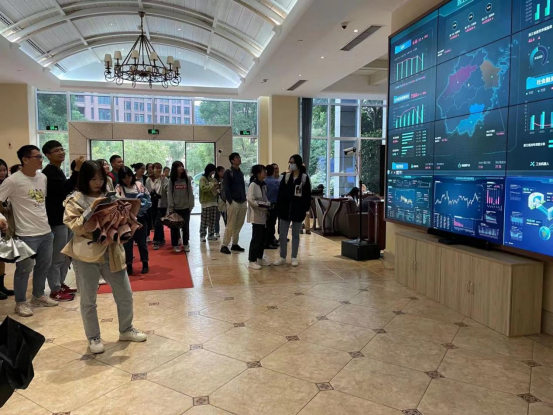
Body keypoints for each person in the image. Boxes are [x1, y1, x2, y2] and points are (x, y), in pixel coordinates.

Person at [63, 160, 147, 354]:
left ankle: (126, 329)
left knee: (125, 294)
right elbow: (74, 225)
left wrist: (130, 211)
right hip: (86, 254)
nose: (98, 182)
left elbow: (122, 218)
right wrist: (92, 209)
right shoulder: (74, 199)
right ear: (84, 179)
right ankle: (93, 337)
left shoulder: (111, 196)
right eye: (93, 179)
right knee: (88, 299)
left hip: (112, 251)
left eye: (101, 178)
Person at [0, 145, 58, 317]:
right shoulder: (13, 180)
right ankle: (20, 302)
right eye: (37, 157)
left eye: (41, 156)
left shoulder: (42, 177)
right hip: (25, 233)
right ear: (25, 159)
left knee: (44, 266)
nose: (41, 159)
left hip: (45, 231)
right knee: (24, 270)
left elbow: (40, 203)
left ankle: (38, 296)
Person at [42, 140, 83, 302]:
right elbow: (63, 190)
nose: (61, 152)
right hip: (56, 220)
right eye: (56, 150)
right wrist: (76, 171)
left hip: (65, 218)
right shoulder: (49, 172)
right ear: (48, 155)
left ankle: (60, 283)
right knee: (58, 256)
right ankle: (55, 289)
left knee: (66, 255)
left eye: (62, 149)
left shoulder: (57, 170)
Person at [273, 154, 312, 268]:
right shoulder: (285, 176)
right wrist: (279, 208)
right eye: (290, 162)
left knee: (295, 234)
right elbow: (280, 194)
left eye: (293, 162)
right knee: (282, 235)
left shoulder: (304, 178)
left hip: (298, 211)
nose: (291, 164)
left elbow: (307, 195)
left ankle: (294, 257)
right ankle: (282, 257)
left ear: (298, 163)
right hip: (284, 211)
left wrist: (305, 209)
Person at [115, 167, 151, 275]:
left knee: (142, 242)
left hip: (140, 217)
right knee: (127, 243)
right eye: (124, 178)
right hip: (126, 220)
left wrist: (142, 203)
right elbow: (116, 203)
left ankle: (145, 263)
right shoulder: (119, 188)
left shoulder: (139, 185)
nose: (127, 180)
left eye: (129, 177)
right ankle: (129, 265)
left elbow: (148, 200)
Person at [220, 153, 247, 255]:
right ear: (232, 161)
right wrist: (230, 201)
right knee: (230, 224)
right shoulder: (228, 172)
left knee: (239, 224)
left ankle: (235, 244)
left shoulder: (241, 172)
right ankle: (224, 245)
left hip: (242, 201)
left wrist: (244, 198)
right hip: (233, 201)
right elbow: (226, 187)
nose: (239, 159)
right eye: (237, 158)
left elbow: (242, 186)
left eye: (239, 157)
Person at [247, 165, 271, 270]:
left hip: (264, 215)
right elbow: (251, 200)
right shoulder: (253, 185)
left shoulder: (263, 184)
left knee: (263, 238)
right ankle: (252, 260)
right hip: (256, 215)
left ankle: (259, 257)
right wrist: (265, 205)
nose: (265, 172)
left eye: (265, 171)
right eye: (263, 171)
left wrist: (268, 205)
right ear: (257, 173)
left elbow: (265, 198)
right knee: (256, 238)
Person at [167, 161, 194, 253]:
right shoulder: (172, 180)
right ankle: (175, 245)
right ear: (175, 168)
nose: (181, 168)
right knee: (174, 228)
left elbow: (190, 193)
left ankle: (186, 243)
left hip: (185, 207)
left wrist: (191, 205)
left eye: (182, 166)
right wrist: (171, 207)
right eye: (179, 166)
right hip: (175, 208)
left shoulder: (187, 179)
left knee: (186, 227)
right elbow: (169, 194)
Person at [145, 162, 168, 250]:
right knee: (156, 222)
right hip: (152, 203)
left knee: (158, 222)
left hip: (162, 203)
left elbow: (167, 189)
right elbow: (147, 191)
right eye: (156, 168)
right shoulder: (148, 179)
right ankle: (161, 239)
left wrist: (162, 180)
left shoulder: (164, 178)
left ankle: (156, 241)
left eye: (160, 168)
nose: (158, 170)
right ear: (153, 169)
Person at [0, 159, 14, 300]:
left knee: (1, 257)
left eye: (4, 170)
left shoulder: (6, 184)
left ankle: (1, 286)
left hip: (3, 226)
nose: (2, 173)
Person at [199, 164, 219, 242]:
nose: (213, 172)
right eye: (212, 171)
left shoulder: (213, 179)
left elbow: (215, 188)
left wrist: (217, 187)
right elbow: (203, 188)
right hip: (206, 202)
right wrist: (212, 185)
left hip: (214, 202)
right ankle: (202, 235)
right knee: (205, 220)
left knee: (212, 220)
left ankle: (211, 234)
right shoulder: (203, 178)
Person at [264, 164, 279, 249]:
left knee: (267, 224)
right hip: (273, 205)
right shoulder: (276, 182)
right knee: (272, 224)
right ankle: (269, 242)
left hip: (264, 205)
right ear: (273, 171)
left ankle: (268, 241)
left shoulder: (263, 181)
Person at [214, 166, 226, 238]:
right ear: (217, 172)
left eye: (223, 171)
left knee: (226, 216)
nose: (223, 172)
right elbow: (215, 189)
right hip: (217, 201)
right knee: (217, 217)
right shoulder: (215, 180)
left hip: (224, 200)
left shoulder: (225, 179)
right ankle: (216, 232)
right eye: (221, 171)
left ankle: (228, 230)